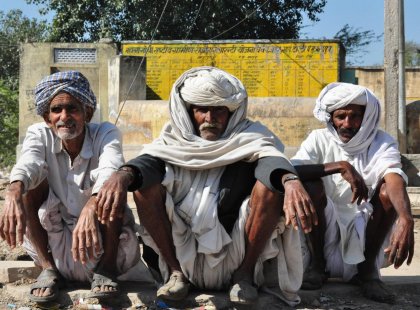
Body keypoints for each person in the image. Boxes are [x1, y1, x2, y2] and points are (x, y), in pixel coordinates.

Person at [96, 66, 317, 306]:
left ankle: (244, 276)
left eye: (219, 110)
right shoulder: (173, 139)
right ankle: (175, 274)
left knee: (270, 188)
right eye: (202, 110)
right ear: (189, 112)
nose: (210, 119)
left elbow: (271, 160)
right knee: (142, 187)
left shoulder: (250, 136)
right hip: (181, 249)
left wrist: (290, 180)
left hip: (236, 250)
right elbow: (149, 163)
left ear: (231, 112)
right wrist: (123, 175)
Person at [0, 71, 140, 302]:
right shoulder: (39, 133)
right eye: (56, 110)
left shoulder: (105, 132)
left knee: (114, 187)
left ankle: (106, 270)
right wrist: (14, 189)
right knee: (28, 186)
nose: (65, 116)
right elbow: (30, 162)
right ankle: (48, 269)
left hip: (102, 235)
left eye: (72, 108)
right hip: (57, 236)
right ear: (47, 118)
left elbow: (110, 166)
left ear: (87, 113)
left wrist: (91, 206)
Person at [291, 82, 415, 304]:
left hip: (366, 226)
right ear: (331, 118)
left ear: (365, 118)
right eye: (340, 116)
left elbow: (394, 176)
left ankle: (367, 273)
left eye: (355, 116)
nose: (347, 124)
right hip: (322, 226)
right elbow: (293, 169)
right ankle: (317, 266)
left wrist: (406, 219)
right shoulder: (318, 139)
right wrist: (340, 166)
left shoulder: (381, 141)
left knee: (387, 191)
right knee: (310, 185)